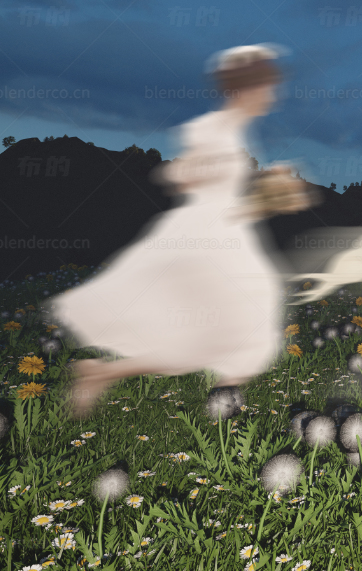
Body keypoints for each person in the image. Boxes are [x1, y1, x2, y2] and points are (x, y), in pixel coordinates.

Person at [49, 44, 310, 418]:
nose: (272, 96)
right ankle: (222, 415)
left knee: (241, 326)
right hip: (203, 239)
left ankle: (113, 377)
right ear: (246, 88)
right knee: (227, 325)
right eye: (268, 86)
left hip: (226, 233)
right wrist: (199, 173)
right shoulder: (212, 128)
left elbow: (232, 199)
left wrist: (270, 195)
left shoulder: (236, 132)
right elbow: (176, 173)